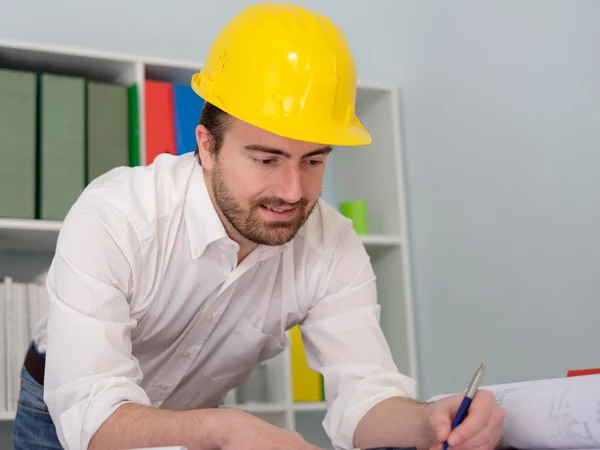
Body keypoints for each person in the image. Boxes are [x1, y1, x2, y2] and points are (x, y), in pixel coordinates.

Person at [13, 2, 504, 450]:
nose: (293, 191)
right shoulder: (115, 216)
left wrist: (426, 423)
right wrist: (226, 430)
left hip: (197, 419)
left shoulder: (332, 246)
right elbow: (92, 416)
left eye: (313, 161)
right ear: (206, 146)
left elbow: (364, 394)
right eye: (267, 159)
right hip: (67, 413)